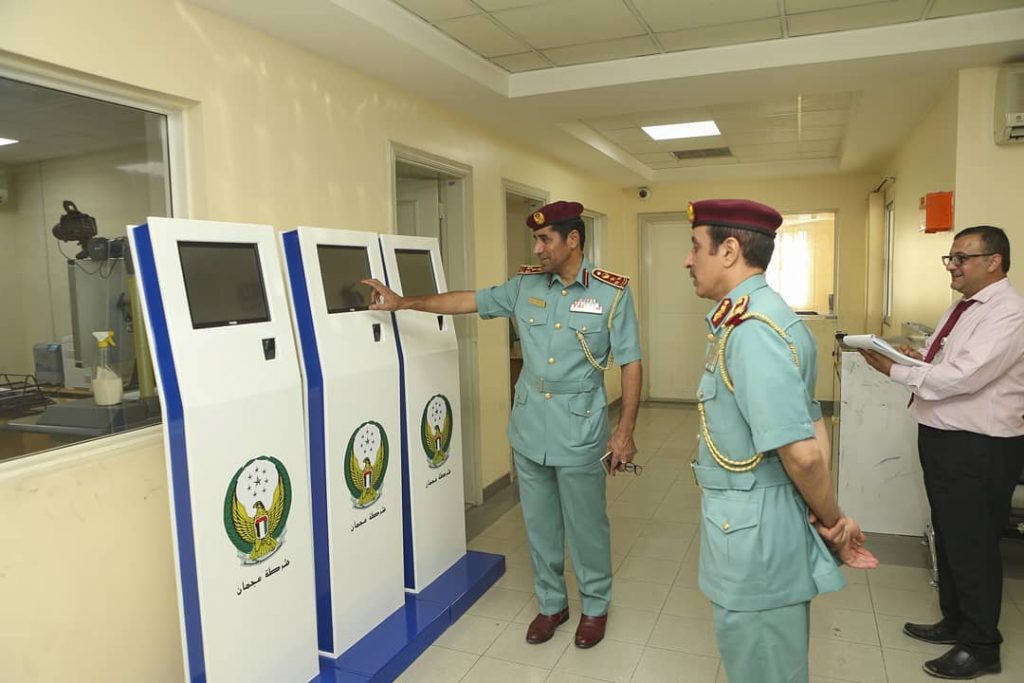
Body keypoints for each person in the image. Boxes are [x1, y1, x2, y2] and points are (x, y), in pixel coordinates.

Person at [364, 200, 642, 649]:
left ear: (573, 239)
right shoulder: (524, 286)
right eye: (535, 240)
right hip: (529, 427)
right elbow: (467, 300)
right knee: (539, 524)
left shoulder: (612, 294)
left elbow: (630, 362)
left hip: (580, 429)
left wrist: (624, 430)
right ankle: (552, 604)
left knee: (587, 526)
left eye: (545, 239)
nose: (537, 248)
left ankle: (595, 606)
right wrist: (403, 303)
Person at [684, 198, 877, 683]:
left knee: (763, 667)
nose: (688, 260)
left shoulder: (752, 331)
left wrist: (834, 522)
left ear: (729, 250)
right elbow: (812, 423)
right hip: (759, 524)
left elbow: (804, 456)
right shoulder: (765, 317)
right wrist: (827, 515)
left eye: (695, 247)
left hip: (755, 539)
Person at [859, 225, 1024, 680]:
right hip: (945, 437)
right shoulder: (963, 307)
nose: (952, 266)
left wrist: (895, 371)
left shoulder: (1009, 312)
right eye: (950, 258)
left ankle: (981, 646)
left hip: (979, 445)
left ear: (994, 261)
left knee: (973, 543)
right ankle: (956, 621)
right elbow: (945, 364)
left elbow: (965, 377)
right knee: (950, 535)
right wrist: (915, 358)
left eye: (961, 258)